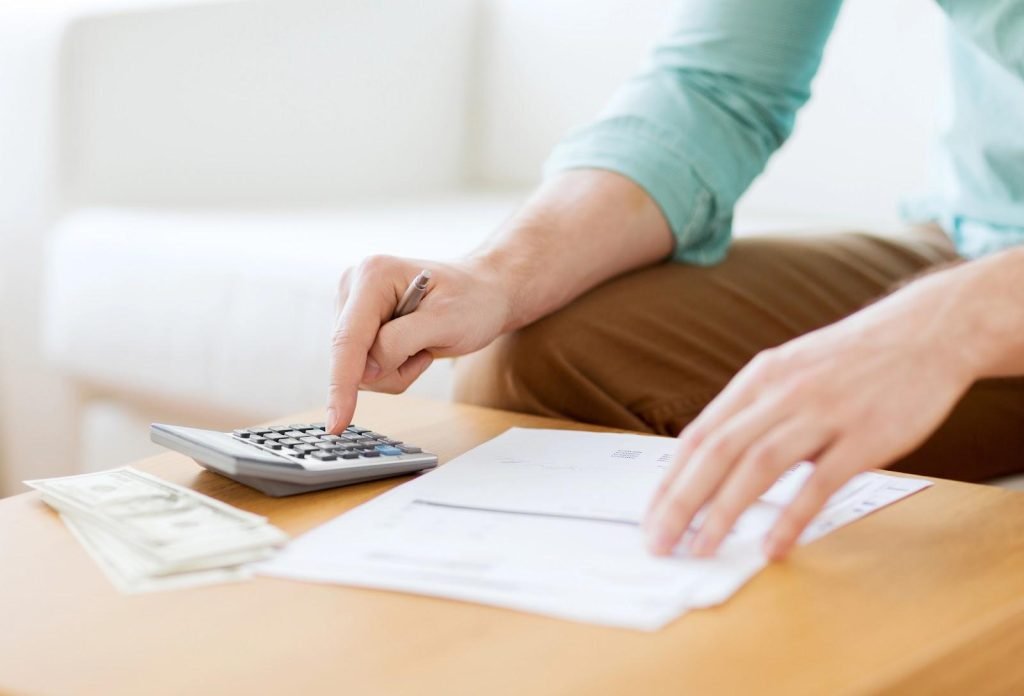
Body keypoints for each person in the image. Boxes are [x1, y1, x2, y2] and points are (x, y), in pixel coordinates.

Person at [326, 0, 1024, 561]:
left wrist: (953, 323)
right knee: (552, 355)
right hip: (980, 237)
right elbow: (715, 88)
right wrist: (498, 274)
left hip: (987, 295)